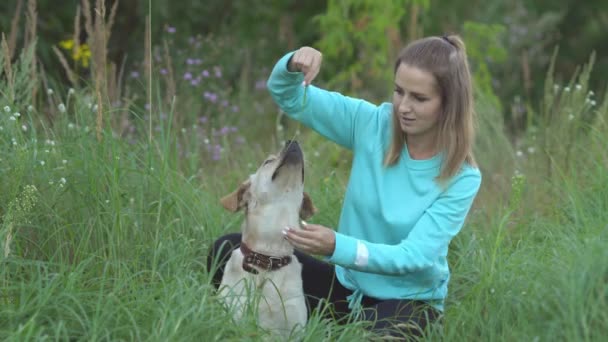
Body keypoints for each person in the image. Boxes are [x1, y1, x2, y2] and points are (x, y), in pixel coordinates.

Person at [208, 35, 482, 339]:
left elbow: (414, 256)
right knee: (228, 251)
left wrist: (338, 247)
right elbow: (288, 95)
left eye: (419, 98)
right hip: (344, 289)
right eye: (398, 91)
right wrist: (294, 62)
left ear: (449, 103)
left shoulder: (462, 177)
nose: (403, 107)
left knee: (383, 335)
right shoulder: (372, 124)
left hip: (407, 303)